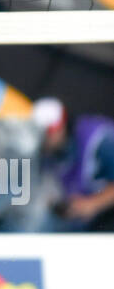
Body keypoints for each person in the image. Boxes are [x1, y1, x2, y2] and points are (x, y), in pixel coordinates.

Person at [36, 98, 114, 232]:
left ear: (59, 128)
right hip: (86, 223)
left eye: (45, 134)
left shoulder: (99, 140)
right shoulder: (47, 151)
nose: (41, 140)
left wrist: (93, 204)